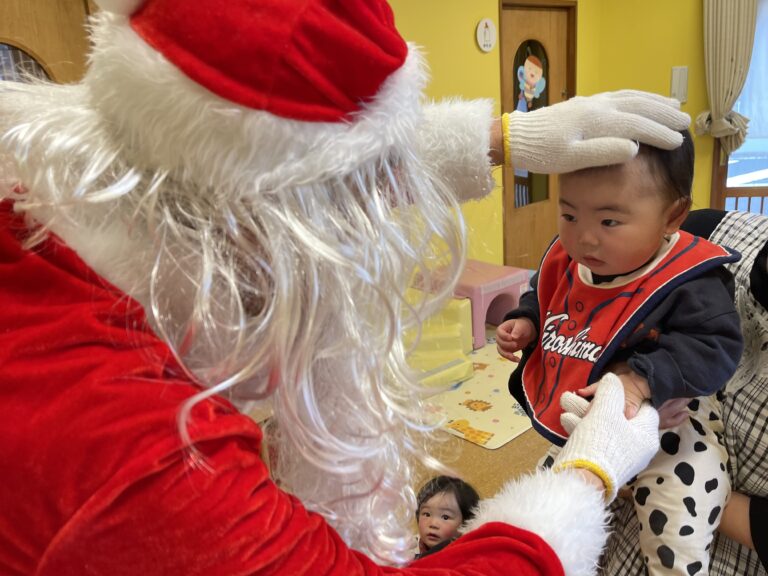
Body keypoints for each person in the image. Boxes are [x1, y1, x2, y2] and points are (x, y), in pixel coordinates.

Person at [0, 0, 688, 573]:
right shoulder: (133, 461)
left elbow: (280, 154)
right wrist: (588, 475)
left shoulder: (58, 193)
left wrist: (502, 134)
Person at [496, 130, 744, 574]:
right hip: (586, 424)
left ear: (673, 216)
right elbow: (548, 294)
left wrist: (641, 377)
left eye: (609, 222)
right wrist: (528, 319)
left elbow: (716, 348)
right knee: (551, 516)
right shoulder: (574, 260)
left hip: (675, 431)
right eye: (569, 214)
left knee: (676, 537)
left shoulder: (689, 278)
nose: (584, 239)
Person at [600, 208, 768, 575]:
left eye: (609, 220)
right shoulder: (706, 233)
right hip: (622, 513)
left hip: (708, 524)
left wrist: (633, 468)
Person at [414, 476, 480, 559]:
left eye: (445, 517)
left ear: (466, 523)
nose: (433, 524)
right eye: (427, 514)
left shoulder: (468, 556)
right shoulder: (408, 550)